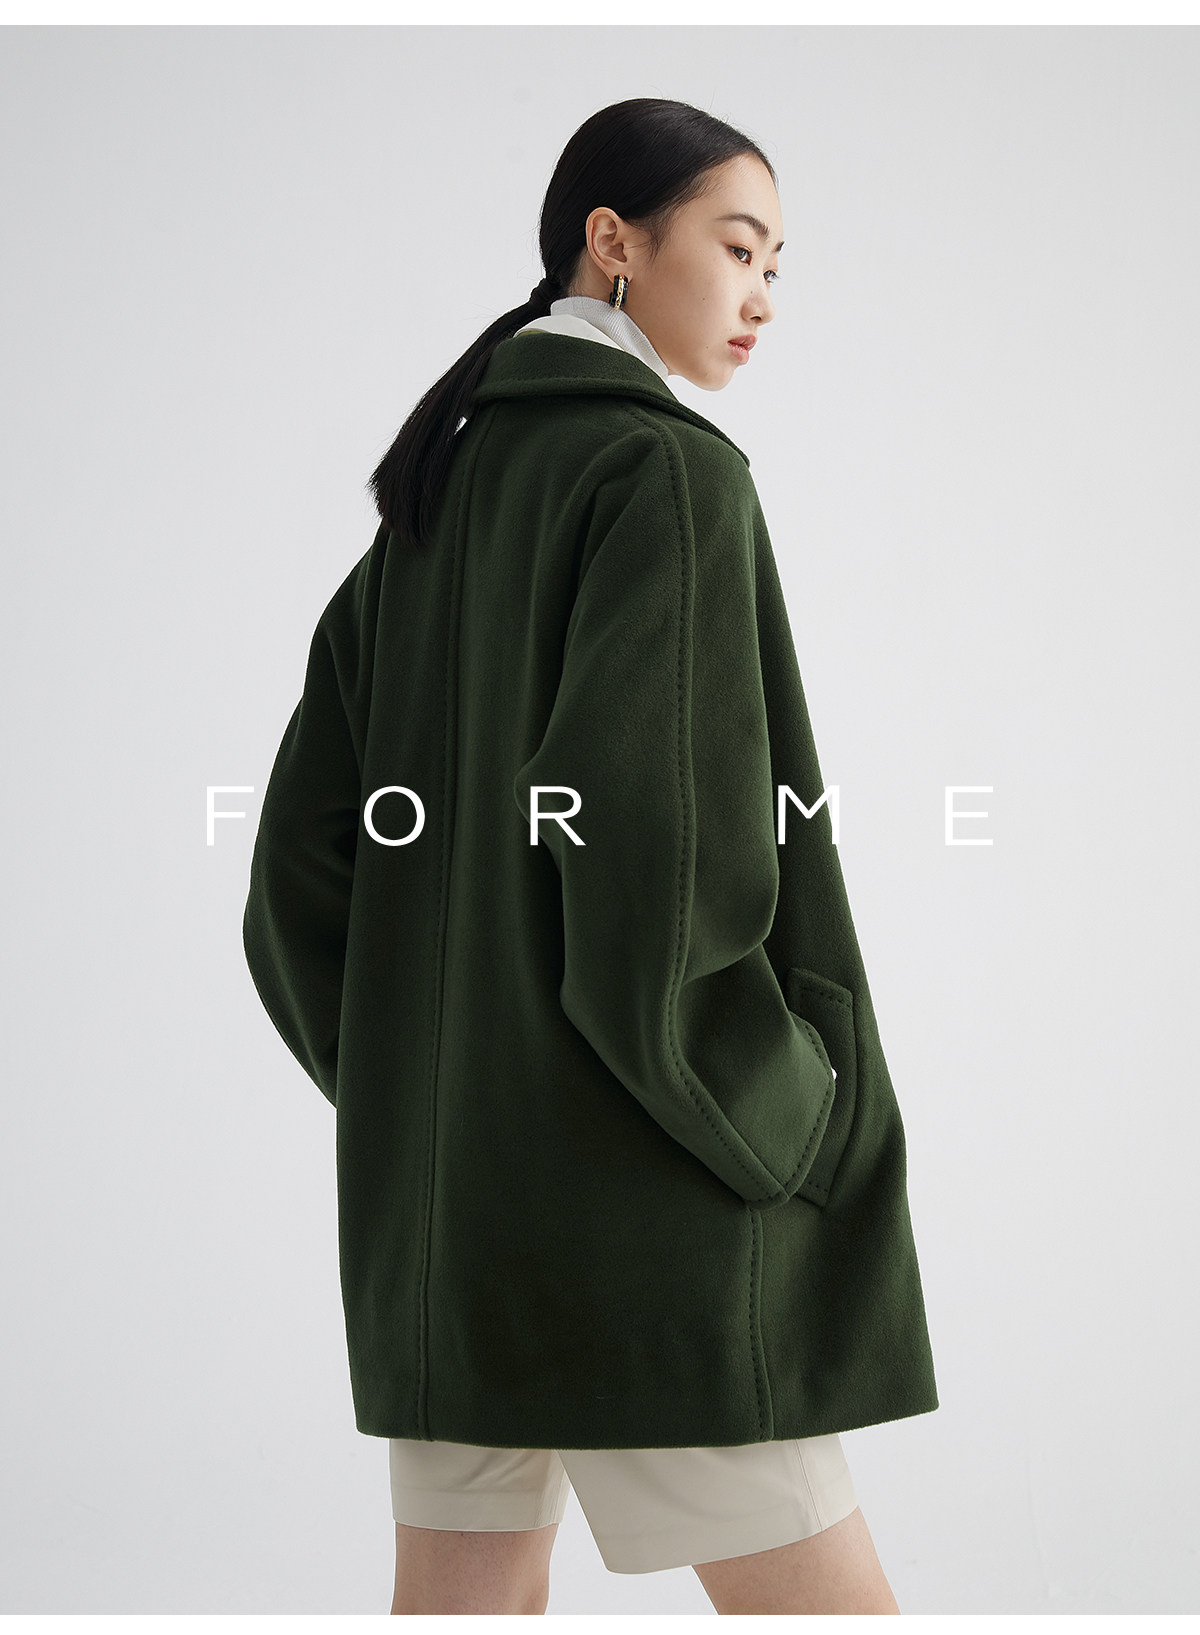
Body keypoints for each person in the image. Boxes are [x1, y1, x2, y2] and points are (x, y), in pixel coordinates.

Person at [242, 97, 938, 1615]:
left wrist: (427, 1091)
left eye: (778, 265)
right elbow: (653, 860)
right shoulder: (667, 477)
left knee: (466, 1602)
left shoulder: (429, 504)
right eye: (738, 248)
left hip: (452, 1230)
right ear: (613, 243)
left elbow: (298, 877)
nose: (763, 297)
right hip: (652, 1212)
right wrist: (785, 1111)